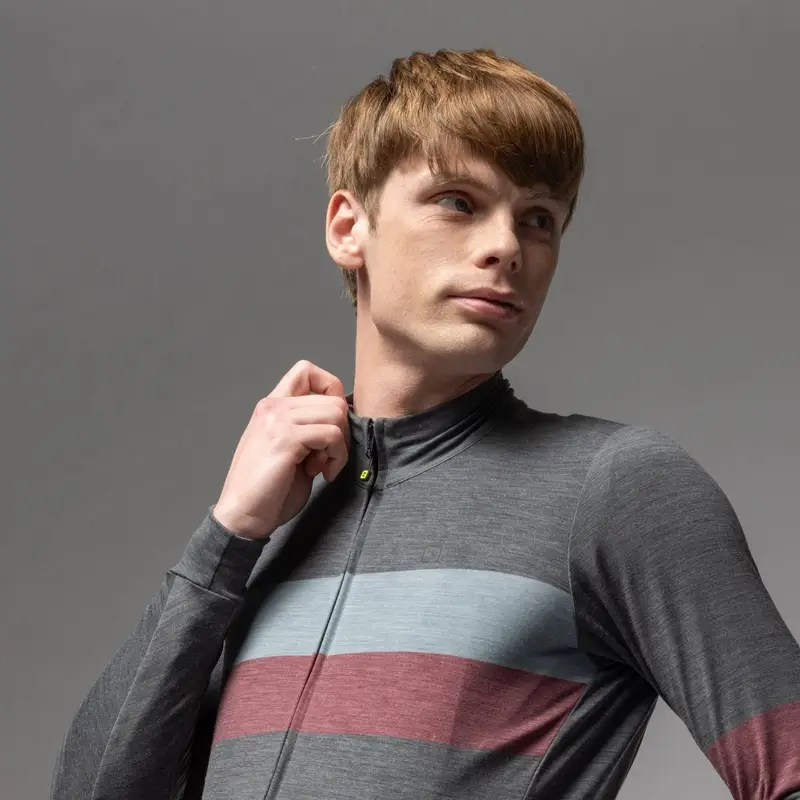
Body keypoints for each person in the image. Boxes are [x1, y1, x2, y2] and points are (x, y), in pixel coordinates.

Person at [51, 48, 800, 800]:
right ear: (349, 227)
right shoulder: (271, 522)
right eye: (458, 202)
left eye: (538, 219)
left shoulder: (616, 488)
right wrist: (227, 537)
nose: (506, 246)